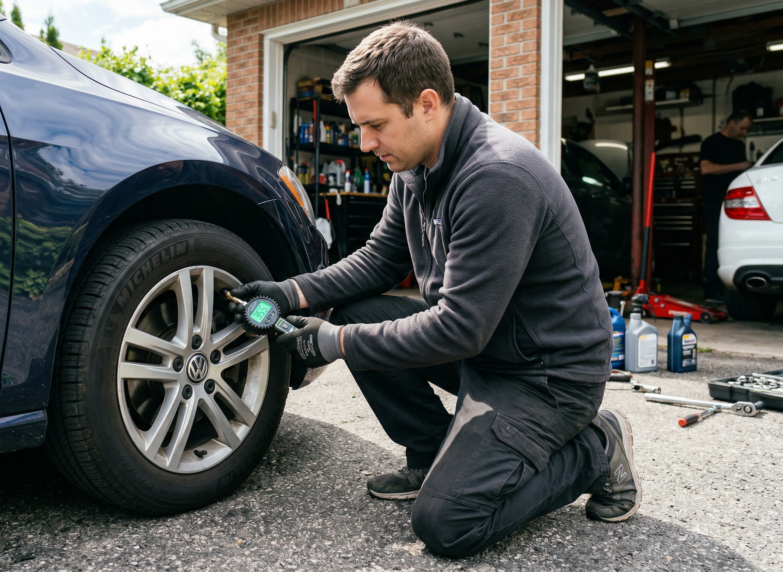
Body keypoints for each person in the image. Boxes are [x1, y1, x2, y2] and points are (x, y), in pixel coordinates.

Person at [229, 22, 637, 558]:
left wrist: (333, 341)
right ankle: (431, 453)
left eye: (375, 125)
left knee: (448, 524)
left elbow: (459, 328)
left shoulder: (497, 176)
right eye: (359, 128)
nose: (366, 143)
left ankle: (596, 445)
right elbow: (378, 261)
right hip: (491, 347)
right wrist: (289, 294)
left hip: (546, 376)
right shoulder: (415, 167)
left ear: (426, 104)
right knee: (356, 310)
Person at [699, 111, 753, 304]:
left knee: (734, 244)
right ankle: (712, 290)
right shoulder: (712, 142)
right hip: (714, 202)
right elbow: (706, 168)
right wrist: (740, 165)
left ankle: (730, 289)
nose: (744, 132)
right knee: (715, 244)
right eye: (742, 128)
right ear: (732, 123)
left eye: (747, 129)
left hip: (736, 205)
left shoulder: (738, 146)